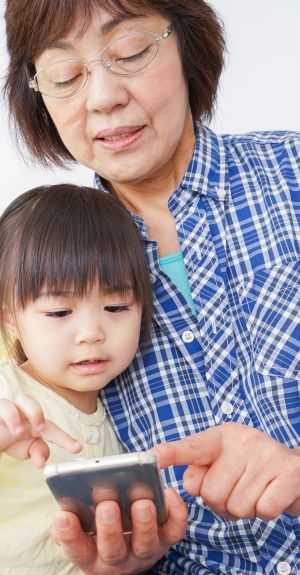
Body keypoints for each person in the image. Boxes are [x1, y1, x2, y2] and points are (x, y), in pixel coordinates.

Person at [4, 0, 300, 573]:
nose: (102, 97)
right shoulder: (38, 268)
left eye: (131, 52)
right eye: (65, 76)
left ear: (188, 45)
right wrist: (126, 562)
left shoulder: (292, 177)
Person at [0, 183, 186, 574]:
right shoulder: (9, 394)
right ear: (10, 318)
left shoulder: (129, 410)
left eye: (116, 306)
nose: (91, 333)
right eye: (59, 312)